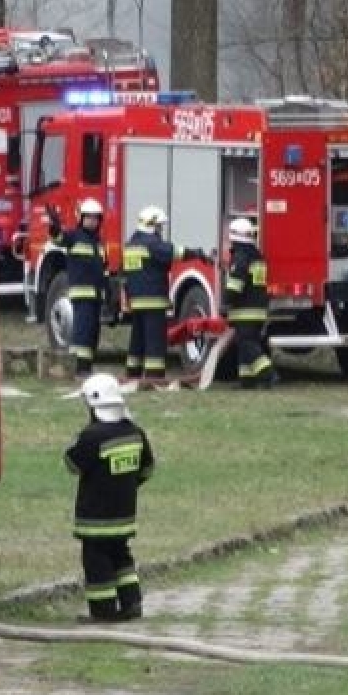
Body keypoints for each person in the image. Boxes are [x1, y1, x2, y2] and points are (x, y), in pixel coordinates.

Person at [64, 373, 155, 622]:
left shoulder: (92, 436)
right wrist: (128, 484)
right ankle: (132, 603)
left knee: (97, 562)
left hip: (95, 518)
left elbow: (72, 464)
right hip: (124, 515)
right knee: (121, 556)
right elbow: (147, 468)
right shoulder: (135, 432)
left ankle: (102, 612)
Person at [121, 207, 204, 386]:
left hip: (136, 301)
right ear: (151, 225)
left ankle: (133, 373)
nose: (160, 230)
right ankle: (155, 376)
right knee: (155, 341)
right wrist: (197, 253)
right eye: (159, 226)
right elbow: (176, 252)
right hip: (153, 301)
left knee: (137, 339)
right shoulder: (152, 244)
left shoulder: (131, 245)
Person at [52, 198, 108, 378]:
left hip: (96, 295)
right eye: (88, 217)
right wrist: (54, 227)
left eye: (95, 218)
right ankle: (80, 368)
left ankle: (87, 367)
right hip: (82, 293)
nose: (92, 221)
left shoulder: (99, 242)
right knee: (82, 331)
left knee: (92, 332)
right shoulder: (74, 236)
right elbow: (59, 239)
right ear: (81, 218)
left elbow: (103, 268)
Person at [223, 217, 275, 387]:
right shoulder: (257, 256)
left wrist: (225, 301)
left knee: (247, 343)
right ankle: (247, 380)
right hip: (258, 308)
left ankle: (268, 373)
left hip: (245, 309)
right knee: (246, 343)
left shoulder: (241, 257)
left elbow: (235, 285)